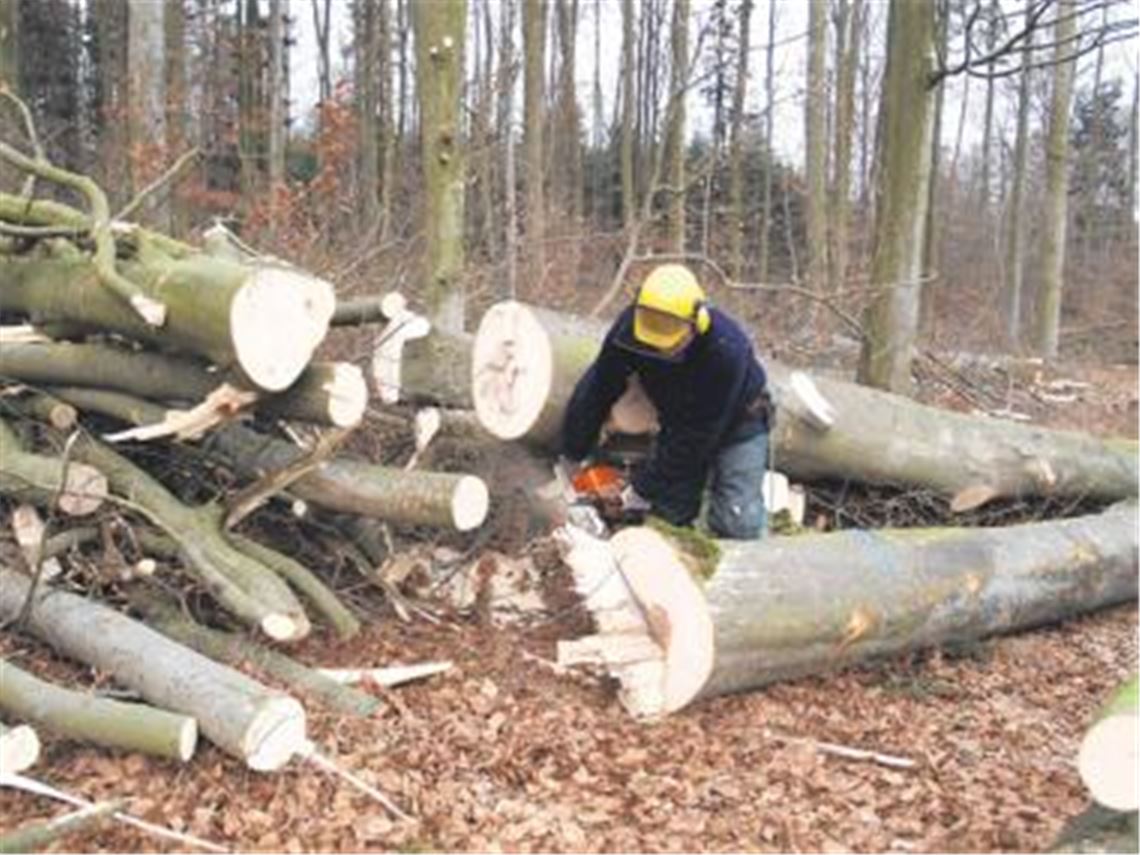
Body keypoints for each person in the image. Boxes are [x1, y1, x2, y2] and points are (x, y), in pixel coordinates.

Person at [561, 263, 772, 539]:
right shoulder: (629, 331)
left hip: (739, 418)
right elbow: (598, 387)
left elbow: (696, 437)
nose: (658, 347)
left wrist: (640, 487)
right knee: (669, 516)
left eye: (670, 340)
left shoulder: (726, 349)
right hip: (679, 417)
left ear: (697, 321)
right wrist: (572, 453)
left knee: (738, 521)